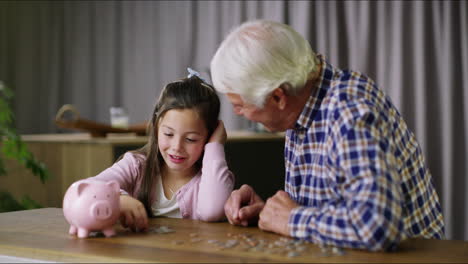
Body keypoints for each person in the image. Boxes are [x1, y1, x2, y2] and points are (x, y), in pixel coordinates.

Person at [210, 20, 444, 251]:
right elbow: (332, 207)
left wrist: (291, 219)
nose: (236, 112)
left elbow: (377, 225)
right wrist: (269, 213)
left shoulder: (349, 110)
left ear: (278, 97)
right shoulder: (303, 102)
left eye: (239, 105)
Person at [91, 69, 235, 232]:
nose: (176, 147)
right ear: (156, 127)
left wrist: (215, 146)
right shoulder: (136, 166)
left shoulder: (211, 177)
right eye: (168, 134)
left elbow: (213, 211)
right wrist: (118, 198)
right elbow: (88, 187)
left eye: (190, 139)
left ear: (209, 137)